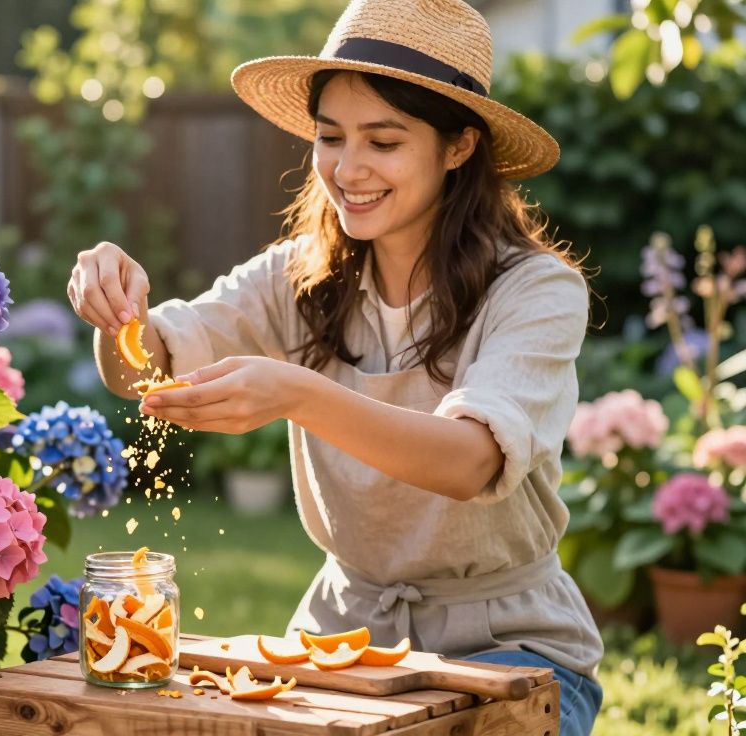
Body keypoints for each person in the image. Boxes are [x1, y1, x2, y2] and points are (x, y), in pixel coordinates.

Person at [66, 0, 605, 732]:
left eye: (383, 142)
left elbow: (470, 460)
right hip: (341, 638)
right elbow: (143, 367)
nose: (347, 169)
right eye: (330, 137)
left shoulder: (536, 291)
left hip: (507, 646)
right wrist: (118, 311)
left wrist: (297, 393)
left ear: (458, 147)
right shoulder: (302, 276)